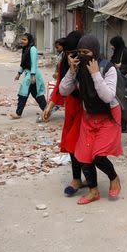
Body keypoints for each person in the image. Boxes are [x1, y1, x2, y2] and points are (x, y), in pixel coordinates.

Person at [59, 35, 122, 205]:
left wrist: (95, 74)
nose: (82, 56)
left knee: (98, 156)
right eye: (79, 52)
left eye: (86, 52)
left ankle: (114, 178)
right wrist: (71, 71)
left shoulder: (107, 68)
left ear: (95, 52)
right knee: (83, 155)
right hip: (89, 116)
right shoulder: (78, 68)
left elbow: (108, 96)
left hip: (108, 116)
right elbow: (63, 91)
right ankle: (93, 191)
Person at [42, 31, 87, 196]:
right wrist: (49, 106)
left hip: (87, 109)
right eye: (68, 53)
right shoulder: (64, 64)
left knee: (81, 144)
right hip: (72, 107)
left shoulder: (90, 61)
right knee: (71, 144)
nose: (71, 56)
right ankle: (77, 179)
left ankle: (95, 177)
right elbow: (60, 87)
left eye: (74, 52)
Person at [11, 32, 48, 119]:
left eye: (25, 39)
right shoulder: (25, 49)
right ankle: (47, 111)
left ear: (29, 40)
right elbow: (23, 63)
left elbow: (34, 63)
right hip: (29, 74)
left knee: (24, 93)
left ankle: (18, 113)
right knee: (36, 94)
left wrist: (33, 75)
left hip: (32, 75)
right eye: (22, 39)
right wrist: (19, 73)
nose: (22, 41)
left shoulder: (33, 49)